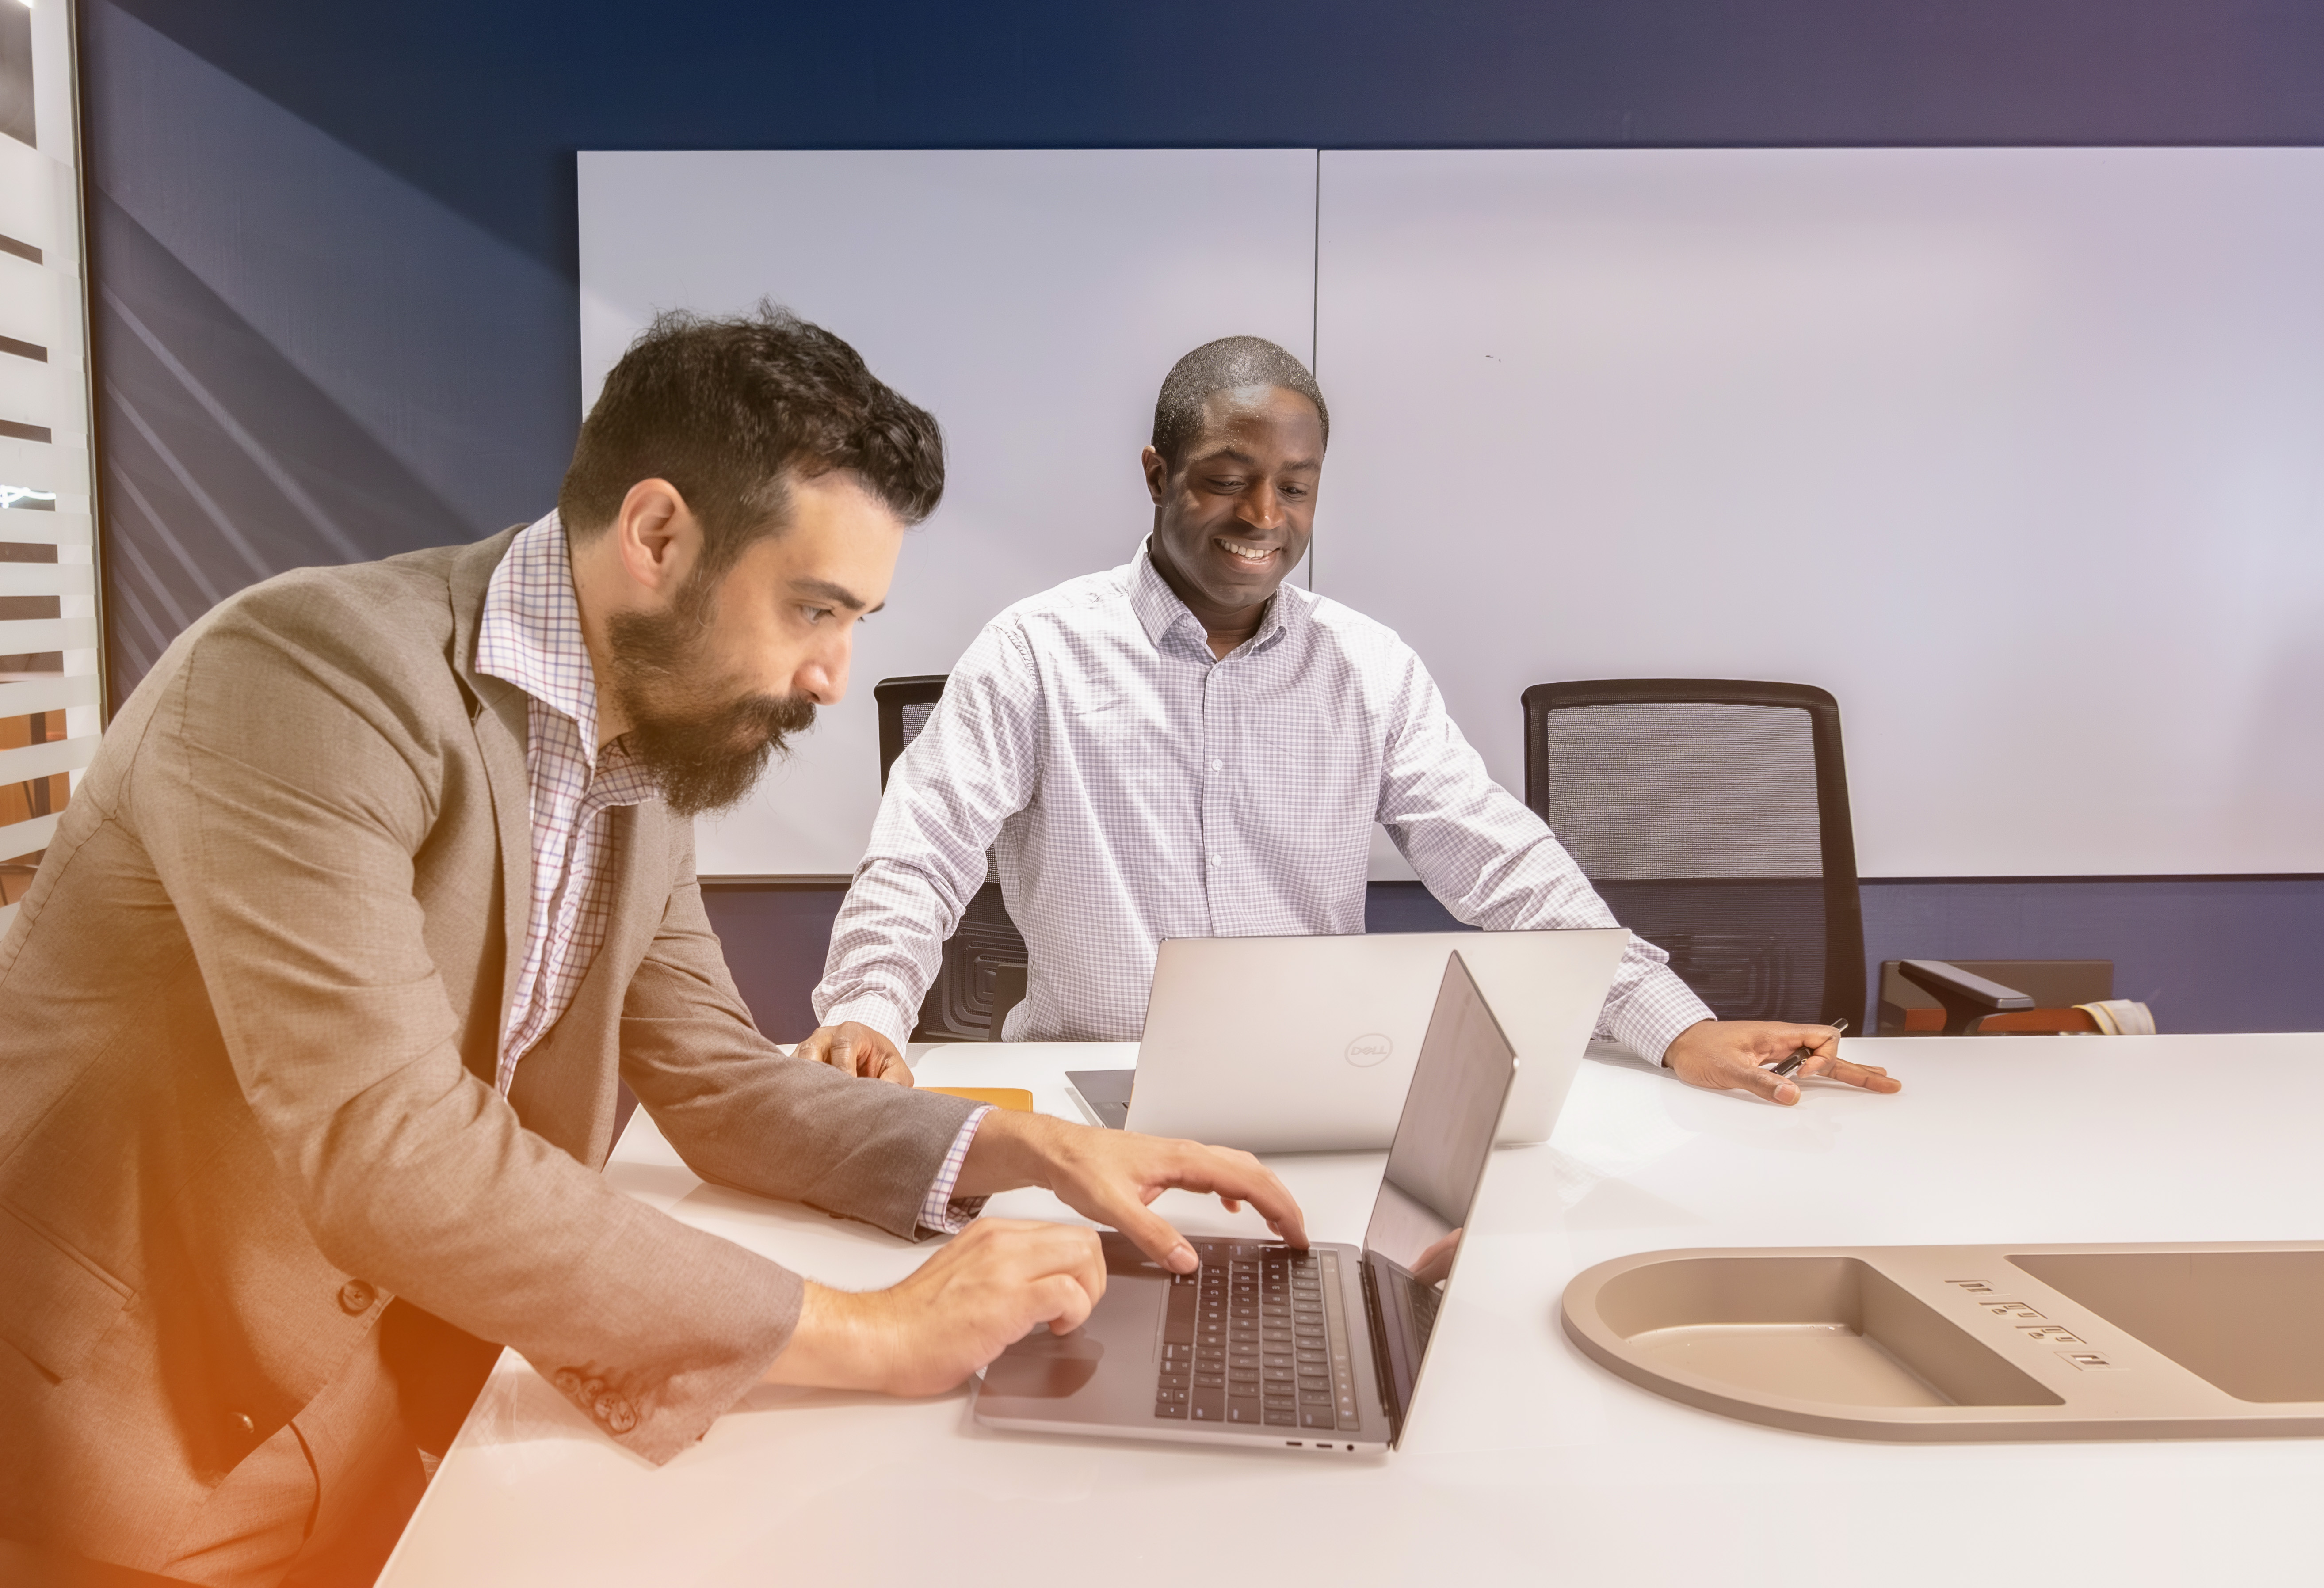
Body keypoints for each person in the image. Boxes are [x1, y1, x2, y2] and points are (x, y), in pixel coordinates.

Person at [0, 308, 1300, 1588]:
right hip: (99, 1416)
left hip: (335, 1382)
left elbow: (713, 1076)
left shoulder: (642, 749)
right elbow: (391, 1152)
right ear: (659, 534)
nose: (834, 680)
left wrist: (1020, 1154)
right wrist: (870, 1335)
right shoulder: (305, 681)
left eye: (855, 629)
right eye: (815, 609)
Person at [800, 334, 1900, 1108]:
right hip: (1095, 1089)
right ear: (1156, 473)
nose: (1263, 519)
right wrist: (866, 1013)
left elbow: (1505, 866)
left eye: (1296, 486)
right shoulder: (1036, 652)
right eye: (1227, 480)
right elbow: (920, 857)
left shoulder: (1366, 669)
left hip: (1315, 1098)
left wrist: (1674, 1023)